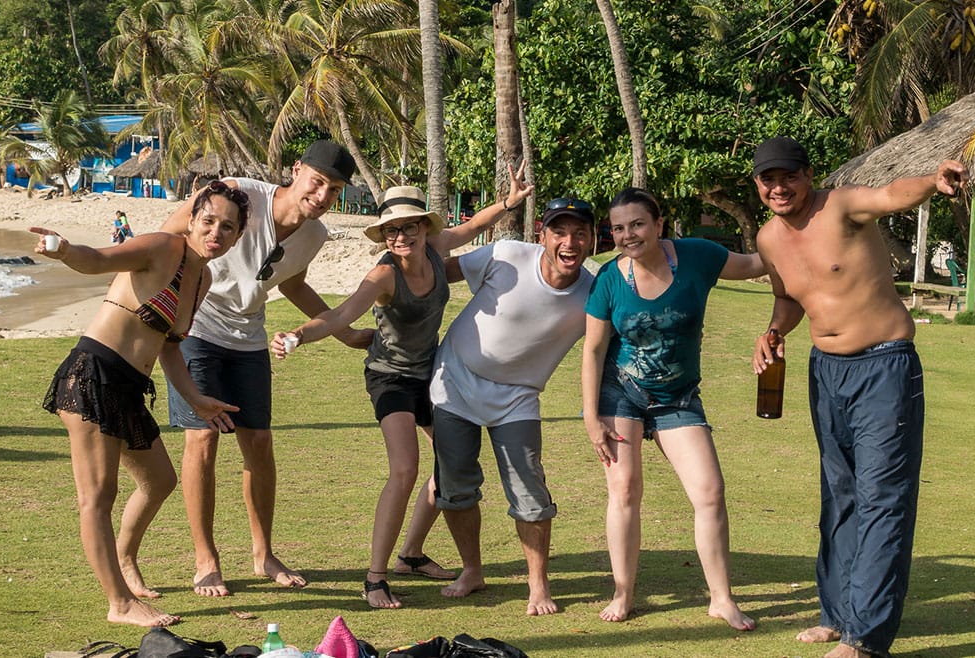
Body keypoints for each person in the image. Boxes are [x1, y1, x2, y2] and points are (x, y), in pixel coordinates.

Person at [270, 167, 532, 608]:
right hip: (390, 377)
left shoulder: (435, 249)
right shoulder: (383, 276)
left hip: (431, 373)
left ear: (424, 228)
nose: (400, 236)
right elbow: (341, 314)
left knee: (449, 462)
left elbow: (473, 226)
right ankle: (375, 578)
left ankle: (410, 554)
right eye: (391, 230)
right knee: (405, 469)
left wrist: (509, 201)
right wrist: (297, 335)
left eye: (409, 227)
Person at [749, 137, 966, 658]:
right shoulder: (768, 239)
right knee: (839, 493)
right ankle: (838, 614)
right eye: (768, 179)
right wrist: (774, 332)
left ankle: (865, 637)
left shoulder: (842, 205)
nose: (779, 187)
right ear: (757, 184)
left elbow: (892, 194)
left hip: (884, 366)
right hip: (825, 372)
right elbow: (787, 298)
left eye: (788, 176)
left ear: (808, 174)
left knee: (883, 497)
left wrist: (933, 181)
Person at [158, 140, 373, 598]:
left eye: (334, 190)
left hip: (248, 338)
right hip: (196, 328)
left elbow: (292, 284)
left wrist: (345, 333)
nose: (322, 195)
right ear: (296, 171)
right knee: (203, 439)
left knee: (258, 443)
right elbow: (168, 236)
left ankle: (264, 553)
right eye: (317, 181)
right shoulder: (239, 193)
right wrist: (157, 306)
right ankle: (206, 558)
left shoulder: (315, 236)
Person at [34, 180, 249, 627]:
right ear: (192, 220)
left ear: (237, 236)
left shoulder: (203, 278)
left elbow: (170, 344)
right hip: (92, 374)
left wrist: (196, 400)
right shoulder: (161, 247)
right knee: (97, 497)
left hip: (130, 388)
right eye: (209, 221)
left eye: (228, 227)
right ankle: (120, 603)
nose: (216, 232)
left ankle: (124, 558)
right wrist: (65, 250)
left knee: (160, 480)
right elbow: (98, 260)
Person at [581, 187, 765, 627]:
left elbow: (758, 264)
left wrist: (800, 235)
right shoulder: (609, 278)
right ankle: (623, 593)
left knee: (710, 492)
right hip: (621, 392)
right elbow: (593, 349)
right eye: (618, 228)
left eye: (637, 224)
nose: (628, 235)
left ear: (659, 224)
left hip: (678, 397)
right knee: (624, 489)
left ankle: (721, 598)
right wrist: (590, 417)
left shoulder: (698, 256)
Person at [432, 197, 597, 616]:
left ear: (593, 239)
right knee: (455, 485)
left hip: (518, 398)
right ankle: (472, 570)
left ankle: (538, 585)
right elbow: (435, 275)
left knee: (529, 490)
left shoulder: (594, 290)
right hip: (454, 381)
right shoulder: (507, 255)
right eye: (559, 232)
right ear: (542, 235)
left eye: (580, 233)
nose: (569, 242)